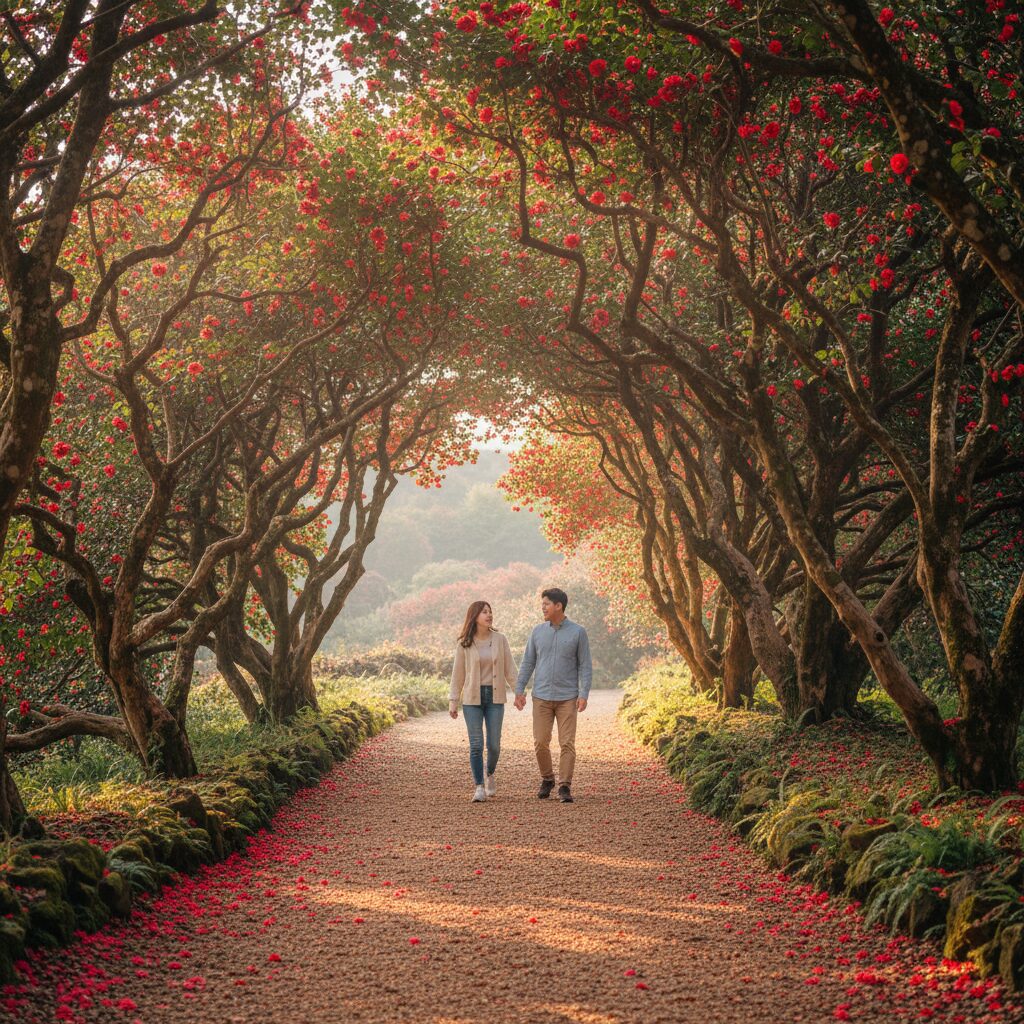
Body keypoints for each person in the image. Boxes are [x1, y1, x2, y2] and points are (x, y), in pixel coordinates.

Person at [513, 587, 592, 804]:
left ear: (559, 606)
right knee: (540, 742)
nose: (543, 608)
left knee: (567, 742)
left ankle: (565, 786)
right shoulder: (537, 632)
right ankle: (547, 778)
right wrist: (520, 690)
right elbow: (528, 662)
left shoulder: (578, 632)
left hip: (568, 698)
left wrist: (583, 693)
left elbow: (585, 665)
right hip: (541, 697)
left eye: (546, 604)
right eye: (542, 604)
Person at [449, 600, 518, 802]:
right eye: (484, 612)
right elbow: (457, 675)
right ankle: (479, 786)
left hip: (495, 698)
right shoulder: (464, 643)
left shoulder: (500, 639)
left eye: (490, 612)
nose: (489, 615)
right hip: (472, 699)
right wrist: (454, 700)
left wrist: (519, 692)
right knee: (476, 744)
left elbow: (510, 669)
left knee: (494, 745)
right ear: (475, 617)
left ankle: (489, 773)